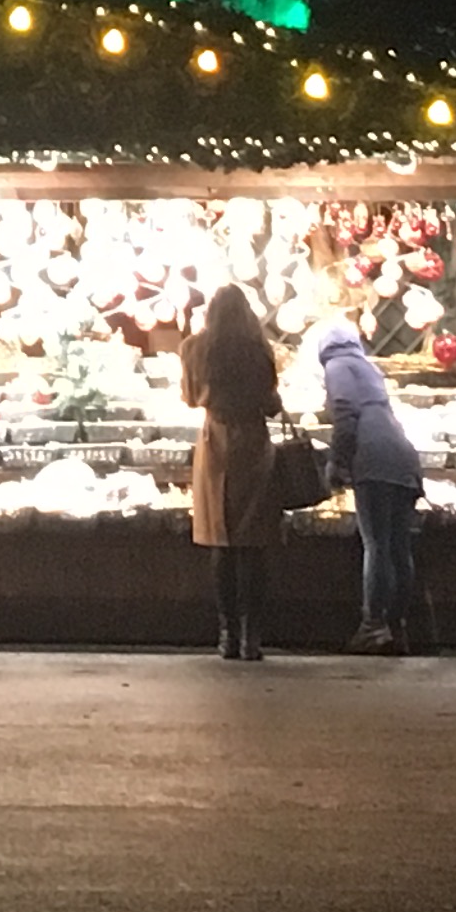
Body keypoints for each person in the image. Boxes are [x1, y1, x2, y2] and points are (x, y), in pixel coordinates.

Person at [307, 315, 426, 654]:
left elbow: (345, 416)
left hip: (373, 461)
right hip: (402, 455)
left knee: (376, 546)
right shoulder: (369, 367)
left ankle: (373, 626)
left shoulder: (337, 367)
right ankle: (397, 625)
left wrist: (336, 462)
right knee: (399, 548)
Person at [184, 283, 284, 662]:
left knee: (220, 541)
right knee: (253, 545)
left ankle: (227, 633)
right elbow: (270, 401)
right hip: (254, 447)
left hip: (215, 446)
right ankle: (252, 636)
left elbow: (191, 398)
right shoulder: (259, 350)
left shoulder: (195, 349)